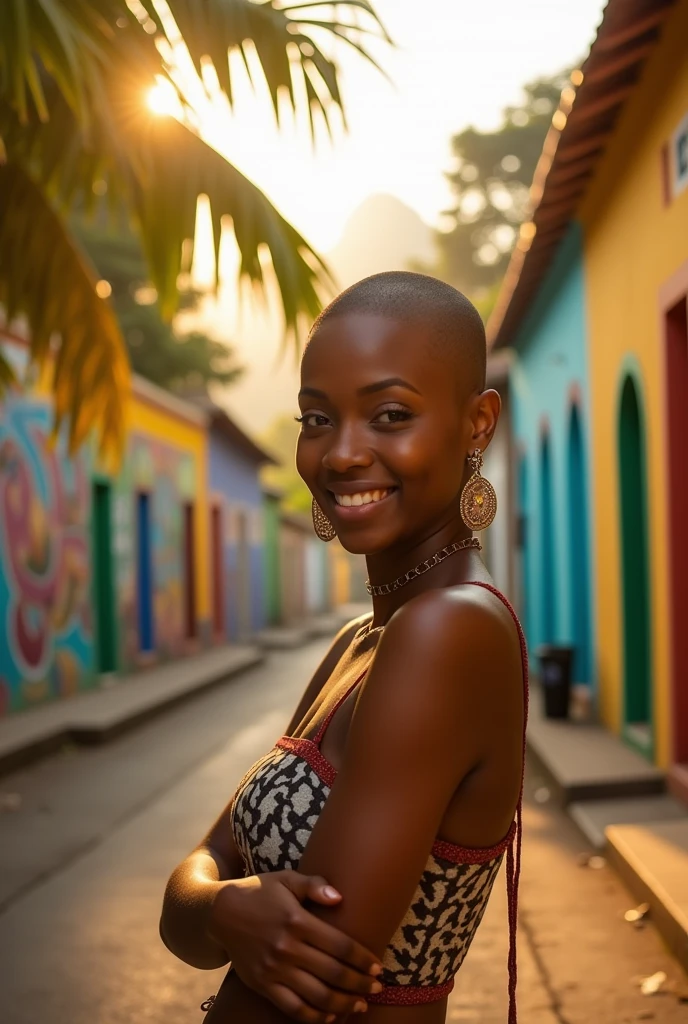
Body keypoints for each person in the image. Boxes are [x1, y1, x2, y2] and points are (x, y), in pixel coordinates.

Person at [160, 271, 528, 1024]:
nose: (341, 455)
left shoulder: (447, 631)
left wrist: (215, 905)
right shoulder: (361, 640)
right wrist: (225, 909)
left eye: (390, 415)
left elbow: (305, 979)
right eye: (316, 419)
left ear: (477, 424)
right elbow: (192, 888)